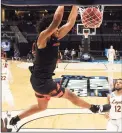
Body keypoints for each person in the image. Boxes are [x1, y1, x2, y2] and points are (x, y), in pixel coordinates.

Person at [6, 6, 110, 129]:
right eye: (55, 29)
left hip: (38, 79)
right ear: (47, 29)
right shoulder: (42, 38)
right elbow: (56, 21)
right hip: (42, 82)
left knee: (42, 107)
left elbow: (70, 22)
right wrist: (63, 3)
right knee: (70, 96)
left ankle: (15, 119)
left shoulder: (54, 36)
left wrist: (75, 5)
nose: (58, 31)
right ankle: (94, 108)